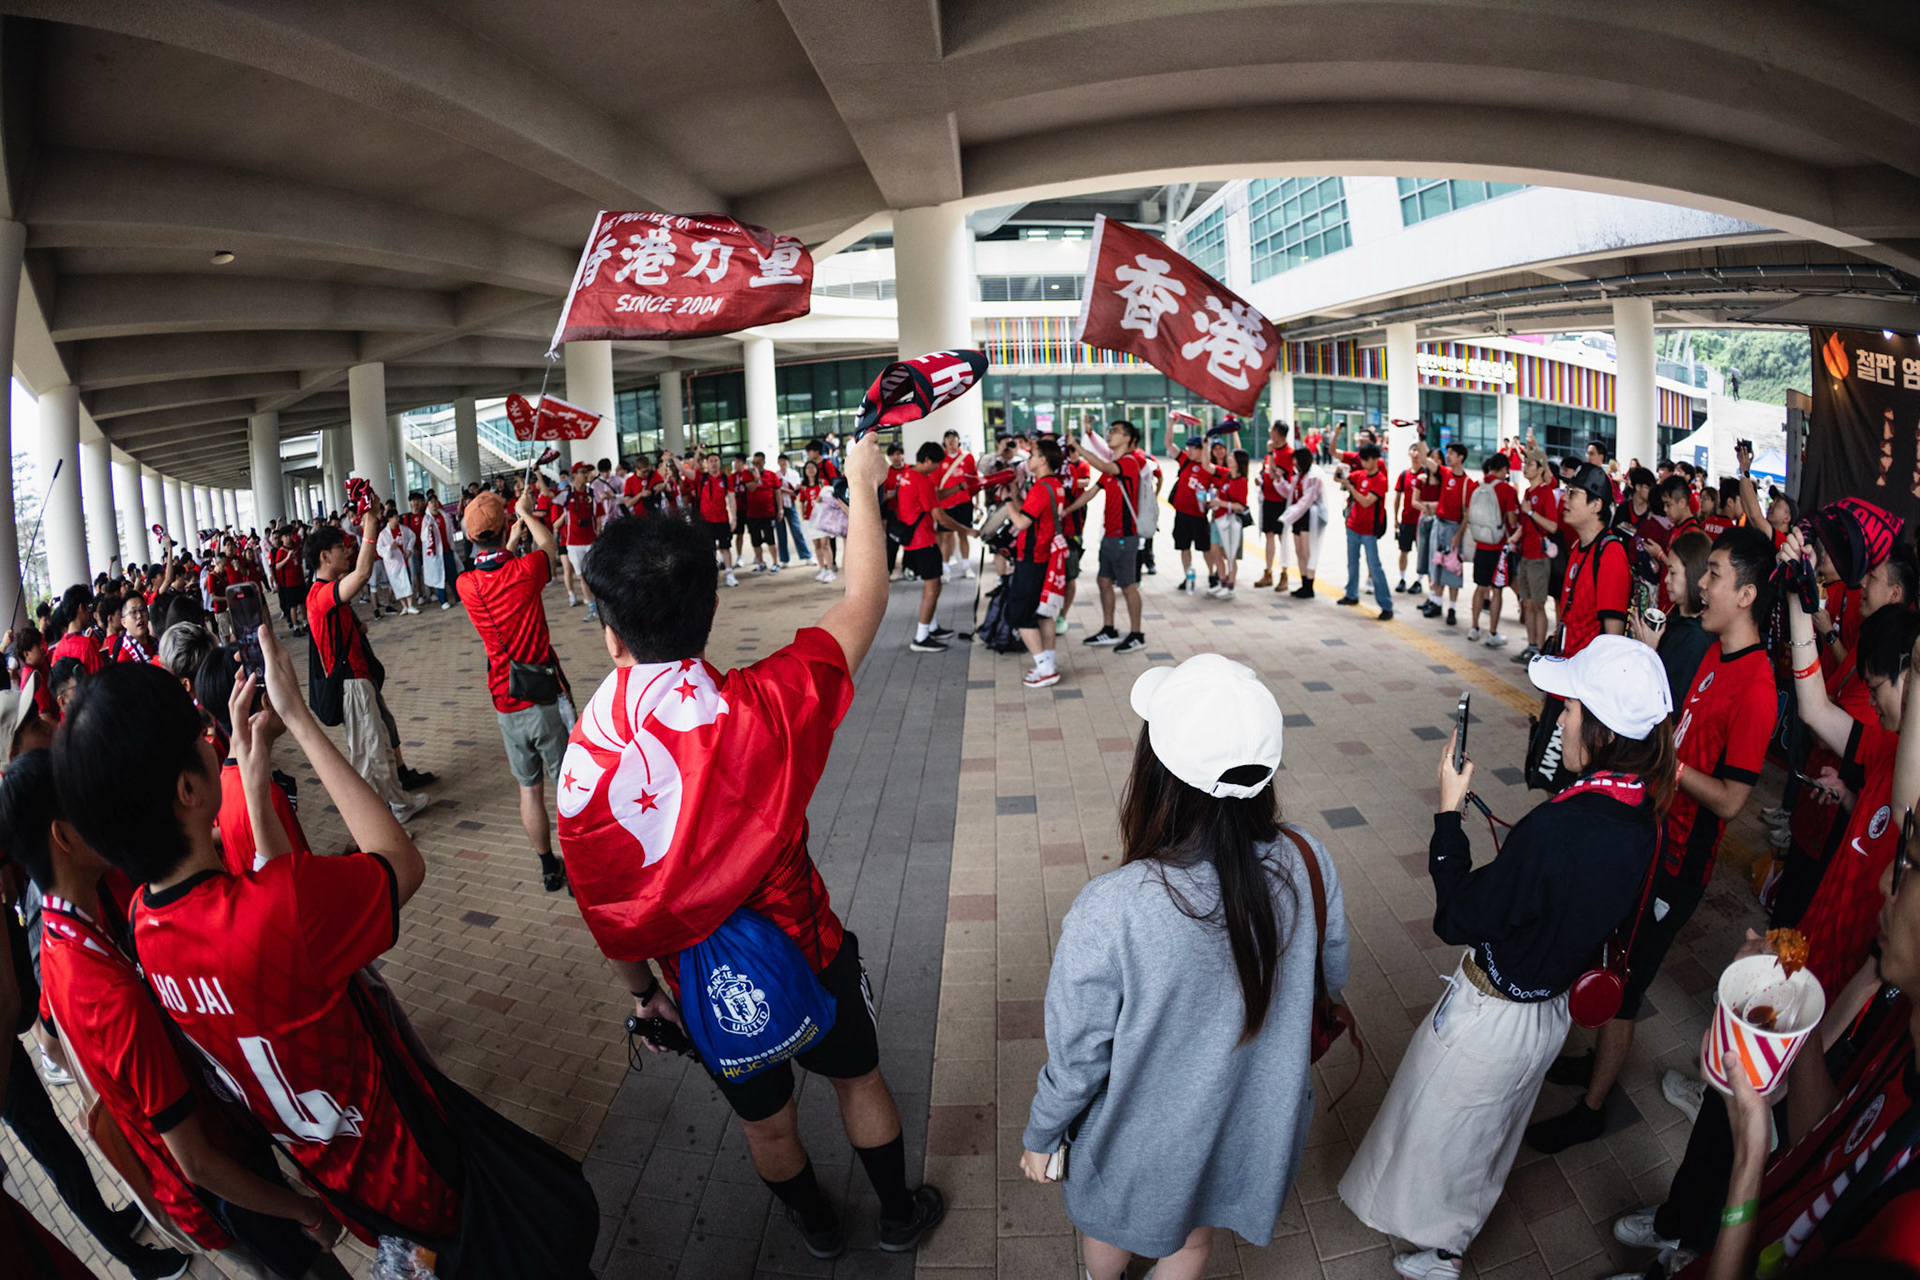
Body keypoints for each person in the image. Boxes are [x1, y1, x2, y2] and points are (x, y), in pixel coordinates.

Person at [557, 431, 945, 1260]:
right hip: (810, 946)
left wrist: (643, 997)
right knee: (859, 1077)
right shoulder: (764, 705)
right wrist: (865, 485)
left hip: (701, 983)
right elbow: (865, 603)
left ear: (611, 634)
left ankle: (814, 1224)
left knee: (766, 1124)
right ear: (710, 607)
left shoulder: (583, 763)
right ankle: (897, 1214)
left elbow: (608, 916)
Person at [1342, 635, 1676, 1279]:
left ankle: (1442, 1251)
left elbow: (1457, 915)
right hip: (1548, 1011)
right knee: (1492, 1130)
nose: (1560, 720)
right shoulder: (1641, 812)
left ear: (1604, 732)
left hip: (1492, 1019)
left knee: (1442, 1130)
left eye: (1571, 710)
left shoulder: (1560, 829)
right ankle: (1452, 1239)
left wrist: (1446, 814)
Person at [1020, 654, 1348, 1280]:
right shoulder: (1308, 859)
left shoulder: (1113, 907)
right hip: (1243, 1121)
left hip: (1135, 1139)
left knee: (1109, 1229)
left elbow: (1078, 1055)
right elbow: (1331, 978)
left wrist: (1042, 1135)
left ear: (1156, 772)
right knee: (1192, 1238)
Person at [0, 749, 349, 1280]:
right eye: (87, 804)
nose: (106, 811)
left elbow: (52, 1042)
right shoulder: (110, 995)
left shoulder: (57, 937)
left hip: (207, 1174)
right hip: (224, 1191)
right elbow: (198, 1162)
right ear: (64, 837)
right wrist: (305, 1210)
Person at [1529, 527, 1780, 1153]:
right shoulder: (1713, 654)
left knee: (1627, 983)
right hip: (1650, 839)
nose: (1701, 583)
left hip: (1678, 866)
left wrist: (1667, 763)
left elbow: (1732, 799)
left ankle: (1592, 1109)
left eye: (1715, 574)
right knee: (1611, 956)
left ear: (1746, 593)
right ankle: (1594, 1066)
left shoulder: (1757, 686)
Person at [458, 488, 573, 892]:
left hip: (506, 700)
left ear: (472, 538)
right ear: (505, 526)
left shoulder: (467, 585)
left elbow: (494, 562)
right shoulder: (526, 573)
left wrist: (509, 529)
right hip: (544, 695)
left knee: (530, 789)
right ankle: (578, 867)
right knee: (567, 788)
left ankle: (547, 866)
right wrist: (527, 513)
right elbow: (549, 544)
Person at [305, 512, 431, 821]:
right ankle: (376, 829)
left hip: (361, 680)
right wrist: (370, 533)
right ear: (324, 556)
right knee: (368, 757)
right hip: (352, 684)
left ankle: (400, 804)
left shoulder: (328, 592)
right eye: (340, 547)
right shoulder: (320, 595)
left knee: (381, 745)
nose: (346, 551)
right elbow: (362, 575)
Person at [1072, 420, 1149, 653]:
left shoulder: (1130, 462)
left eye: (1115, 431)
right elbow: (1091, 493)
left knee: (1128, 586)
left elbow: (1105, 468)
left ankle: (1137, 634)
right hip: (1110, 534)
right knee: (1104, 581)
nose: (1110, 434)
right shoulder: (1114, 465)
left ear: (1128, 438)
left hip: (1125, 536)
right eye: (1110, 431)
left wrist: (1079, 447)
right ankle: (1109, 629)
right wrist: (1066, 510)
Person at [896, 442, 972, 653]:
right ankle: (921, 637)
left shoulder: (907, 474)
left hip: (913, 540)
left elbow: (932, 498)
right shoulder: (922, 481)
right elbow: (941, 517)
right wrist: (966, 529)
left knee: (932, 587)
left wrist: (957, 488)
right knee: (933, 588)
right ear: (928, 460)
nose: (938, 468)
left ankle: (932, 626)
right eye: (936, 463)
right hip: (924, 540)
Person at [1003, 436, 1066, 688]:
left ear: (1042, 460)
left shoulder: (1041, 487)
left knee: (1020, 615)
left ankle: (1045, 669)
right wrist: (1016, 496)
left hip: (1032, 558)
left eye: (1032, 455)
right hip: (1045, 555)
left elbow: (1021, 523)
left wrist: (1007, 501)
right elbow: (1033, 513)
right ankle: (1048, 662)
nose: (1028, 459)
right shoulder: (1055, 485)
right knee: (1044, 614)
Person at [1556, 462, 1634, 658]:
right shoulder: (1578, 547)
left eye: (1573, 493)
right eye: (1566, 490)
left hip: (1586, 680)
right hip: (1566, 672)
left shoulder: (1611, 555)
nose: (1565, 499)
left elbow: (1613, 637)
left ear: (1596, 505)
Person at [1632, 530, 1715, 711]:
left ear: (1694, 576)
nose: (1667, 580)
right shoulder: (1677, 617)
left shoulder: (1697, 638)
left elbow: (1671, 707)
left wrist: (1649, 651)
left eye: (1673, 572)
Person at [1460, 452, 1518, 646]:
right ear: (1503, 470)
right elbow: (1511, 520)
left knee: (1480, 587)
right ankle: (1492, 633)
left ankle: (1474, 627)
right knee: (1497, 590)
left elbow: (1469, 513)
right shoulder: (1507, 489)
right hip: (1498, 547)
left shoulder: (1476, 486)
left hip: (1480, 545)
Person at [1509, 449, 1561, 662]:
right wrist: (1514, 538)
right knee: (1527, 603)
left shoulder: (1546, 492)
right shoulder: (1528, 493)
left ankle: (1540, 650)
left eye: (1530, 464)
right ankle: (1531, 646)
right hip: (1526, 554)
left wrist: (1531, 512)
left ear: (1541, 468)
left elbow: (1553, 526)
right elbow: (1525, 524)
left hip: (1539, 557)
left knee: (1538, 604)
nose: (1525, 467)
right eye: (1525, 463)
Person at [1335, 444, 1394, 619]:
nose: (1362, 463)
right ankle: (1351, 594)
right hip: (1353, 526)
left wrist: (1350, 487)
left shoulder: (1381, 480)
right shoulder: (1359, 474)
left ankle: (1386, 605)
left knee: (1375, 567)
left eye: (1365, 460)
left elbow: (1366, 501)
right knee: (1352, 563)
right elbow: (1338, 479)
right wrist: (1340, 472)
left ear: (1374, 460)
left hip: (1369, 530)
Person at [1278, 445, 1329, 599]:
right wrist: (1279, 480)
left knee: (1307, 551)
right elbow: (1290, 494)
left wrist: (1286, 517)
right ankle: (1303, 582)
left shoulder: (1314, 478)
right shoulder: (1298, 476)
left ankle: (1309, 585)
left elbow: (1306, 501)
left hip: (1309, 517)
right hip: (1297, 516)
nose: (1293, 463)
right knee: (1299, 550)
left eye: (1295, 460)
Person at [1256, 422, 1297, 590]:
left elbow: (1275, 475)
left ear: (1278, 433)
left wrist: (1270, 453)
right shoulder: (1270, 454)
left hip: (1282, 502)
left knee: (1282, 538)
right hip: (1268, 499)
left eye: (1271, 429)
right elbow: (1265, 472)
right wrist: (1259, 478)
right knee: (1269, 536)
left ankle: (1285, 573)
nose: (1269, 432)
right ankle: (1268, 572)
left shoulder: (1289, 454)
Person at [560, 462, 602, 617]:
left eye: (587, 472)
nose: (586, 474)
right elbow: (548, 494)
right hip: (573, 543)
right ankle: (592, 606)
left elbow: (598, 515)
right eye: (583, 471)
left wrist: (598, 533)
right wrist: (537, 473)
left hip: (591, 540)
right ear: (574, 474)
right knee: (582, 576)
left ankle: (600, 604)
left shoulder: (592, 493)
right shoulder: (567, 494)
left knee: (595, 575)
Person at [695, 450, 740, 589]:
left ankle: (729, 575)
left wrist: (734, 518)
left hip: (722, 519)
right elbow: (686, 470)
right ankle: (712, 577)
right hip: (706, 520)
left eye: (716, 460)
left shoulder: (726, 479)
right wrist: (696, 453)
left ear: (719, 462)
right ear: (706, 464)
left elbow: (732, 500)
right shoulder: (701, 478)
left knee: (725, 548)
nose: (713, 463)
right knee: (710, 549)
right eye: (711, 461)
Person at [1392, 439, 1427, 595]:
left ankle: (1419, 581)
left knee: (1422, 552)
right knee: (1403, 550)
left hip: (1422, 521)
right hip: (1406, 519)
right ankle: (1402, 578)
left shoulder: (1426, 475)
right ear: (1408, 454)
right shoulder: (1404, 475)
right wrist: (1395, 518)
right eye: (1413, 450)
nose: (1415, 454)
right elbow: (1397, 497)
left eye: (1418, 451)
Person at [741, 451, 782, 574]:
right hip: (752, 514)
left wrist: (780, 509)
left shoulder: (771, 475)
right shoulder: (747, 474)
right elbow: (751, 488)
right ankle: (761, 563)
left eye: (758, 463)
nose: (756, 465)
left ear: (763, 462)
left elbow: (777, 492)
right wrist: (757, 477)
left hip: (768, 512)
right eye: (754, 463)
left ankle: (775, 563)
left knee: (770, 539)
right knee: (755, 540)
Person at [374, 512, 418, 616]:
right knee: (396, 585)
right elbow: (379, 549)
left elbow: (412, 537)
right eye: (395, 517)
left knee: (407, 582)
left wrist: (409, 549)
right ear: (389, 519)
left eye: (397, 517)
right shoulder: (383, 534)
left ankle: (410, 605)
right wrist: (389, 547)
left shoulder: (403, 529)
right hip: (392, 564)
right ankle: (404, 606)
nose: (397, 519)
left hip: (404, 560)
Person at [419, 492, 457, 608]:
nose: (434, 504)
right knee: (439, 577)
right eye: (431, 502)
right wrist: (428, 529)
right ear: (428, 505)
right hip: (436, 554)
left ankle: (458, 597)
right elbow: (423, 537)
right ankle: (443, 601)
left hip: (447, 550)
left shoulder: (443, 515)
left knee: (453, 575)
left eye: (435, 501)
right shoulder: (426, 519)